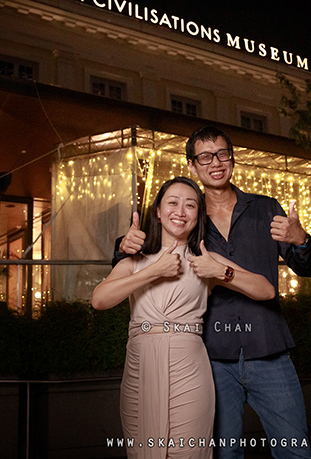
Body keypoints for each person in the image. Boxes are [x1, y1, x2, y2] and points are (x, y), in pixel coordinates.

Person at [118, 127, 311, 459]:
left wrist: (301, 240)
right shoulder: (186, 219)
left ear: (232, 159)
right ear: (192, 165)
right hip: (212, 357)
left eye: (223, 154)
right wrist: (122, 246)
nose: (215, 162)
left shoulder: (265, 208)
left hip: (268, 350)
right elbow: (142, 253)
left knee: (296, 452)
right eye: (205, 157)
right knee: (225, 456)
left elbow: (306, 268)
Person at [93, 177, 274, 459]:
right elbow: (99, 300)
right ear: (157, 211)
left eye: (190, 205)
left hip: (188, 367)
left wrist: (220, 271)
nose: (180, 211)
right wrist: (153, 270)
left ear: (198, 216)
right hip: (140, 366)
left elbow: (266, 291)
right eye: (172, 203)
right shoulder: (133, 261)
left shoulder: (204, 260)